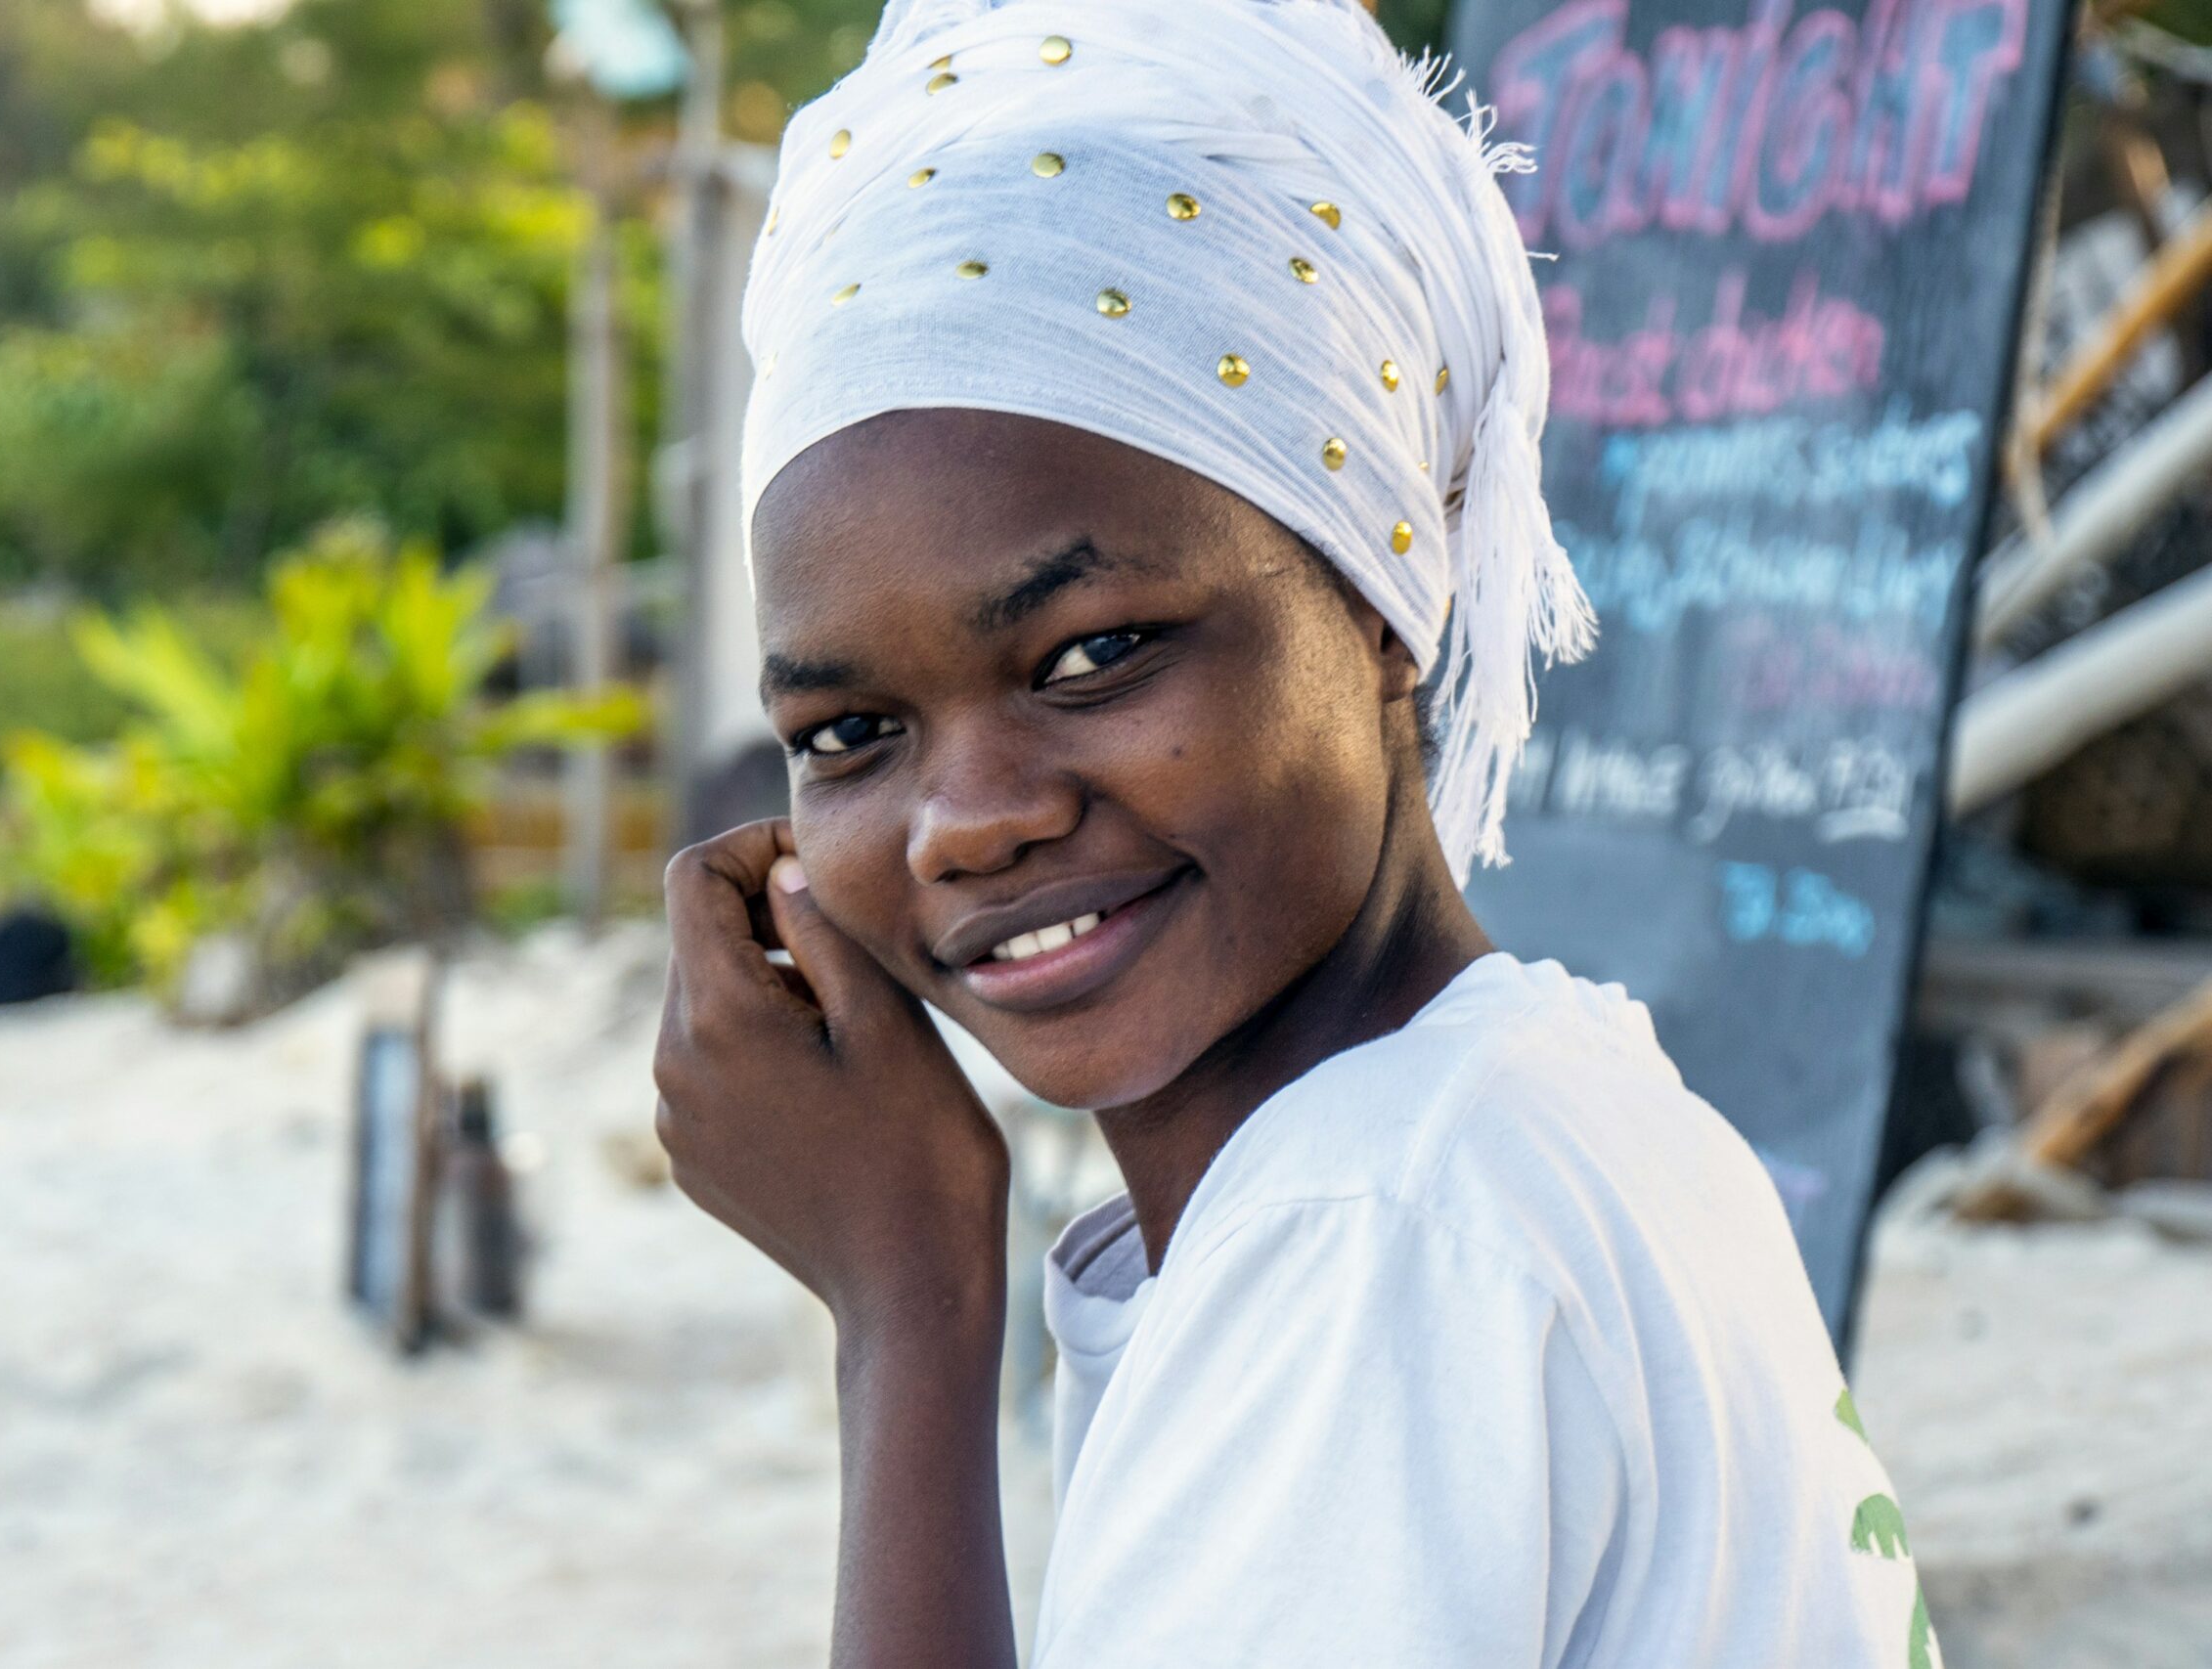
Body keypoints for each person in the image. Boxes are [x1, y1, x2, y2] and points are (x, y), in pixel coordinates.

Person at [650, 1, 1940, 1664]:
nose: (969, 821)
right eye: (850, 736)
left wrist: (908, 1305)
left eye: (1094, 655)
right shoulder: (1536, 1110)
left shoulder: (1370, 1235)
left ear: (1384, 594)